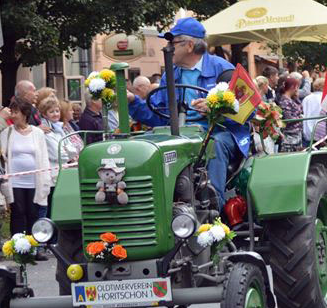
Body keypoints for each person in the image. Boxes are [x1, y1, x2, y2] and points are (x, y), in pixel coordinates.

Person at [126, 17, 247, 209]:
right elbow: (158, 115)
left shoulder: (223, 69)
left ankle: (214, 207)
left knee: (215, 145)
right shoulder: (170, 74)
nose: (167, 48)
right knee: (146, 145)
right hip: (181, 134)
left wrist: (217, 108)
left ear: (189, 45)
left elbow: (248, 110)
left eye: (172, 42)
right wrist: (133, 101)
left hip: (219, 131)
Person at [0, 100, 50, 243]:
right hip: (15, 181)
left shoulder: (37, 133)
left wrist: (46, 180)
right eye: (12, 112)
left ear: (25, 114)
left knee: (33, 213)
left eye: (16, 112)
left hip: (34, 181)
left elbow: (44, 157)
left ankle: (33, 246)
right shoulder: (7, 132)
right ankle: (17, 245)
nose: (13, 115)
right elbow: (3, 156)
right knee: (18, 212)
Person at [276, 74, 304, 151]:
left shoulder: (291, 99)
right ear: (292, 87)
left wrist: (296, 97)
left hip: (296, 133)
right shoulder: (285, 101)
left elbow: (300, 109)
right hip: (290, 135)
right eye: (297, 87)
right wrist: (300, 118)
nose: (297, 89)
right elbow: (288, 118)